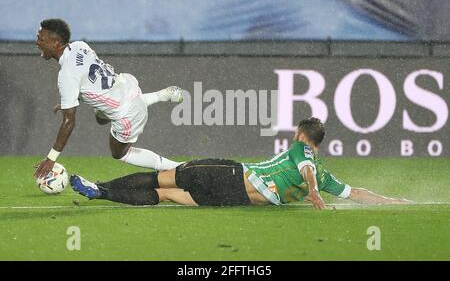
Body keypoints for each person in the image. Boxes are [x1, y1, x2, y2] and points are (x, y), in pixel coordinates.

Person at [70, 117, 412, 209]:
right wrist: (394, 202)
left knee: (165, 178)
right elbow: (355, 193)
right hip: (235, 199)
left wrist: (313, 192)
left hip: (233, 173)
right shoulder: (325, 174)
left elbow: (306, 166)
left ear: (301, 135)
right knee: (165, 195)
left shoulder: (301, 151)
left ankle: (100, 189)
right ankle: (99, 194)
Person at [34, 18, 183, 178]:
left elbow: (69, 122)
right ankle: (162, 94)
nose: (37, 42)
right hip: (126, 87)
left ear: (56, 43)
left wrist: (51, 158)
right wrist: (67, 101)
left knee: (120, 153)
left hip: (128, 113)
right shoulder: (80, 46)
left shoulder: (66, 75)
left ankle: (179, 168)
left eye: (41, 39)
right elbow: (87, 76)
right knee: (100, 117)